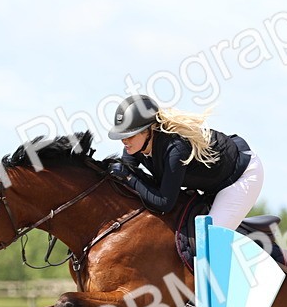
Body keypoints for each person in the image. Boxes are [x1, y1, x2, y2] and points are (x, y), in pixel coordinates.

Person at [106, 95, 263, 230]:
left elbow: (164, 202)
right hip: (214, 181)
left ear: (149, 130)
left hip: (241, 178)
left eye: (130, 135)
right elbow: (126, 178)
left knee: (210, 241)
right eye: (122, 136)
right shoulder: (134, 147)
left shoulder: (176, 149)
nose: (124, 141)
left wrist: (128, 177)